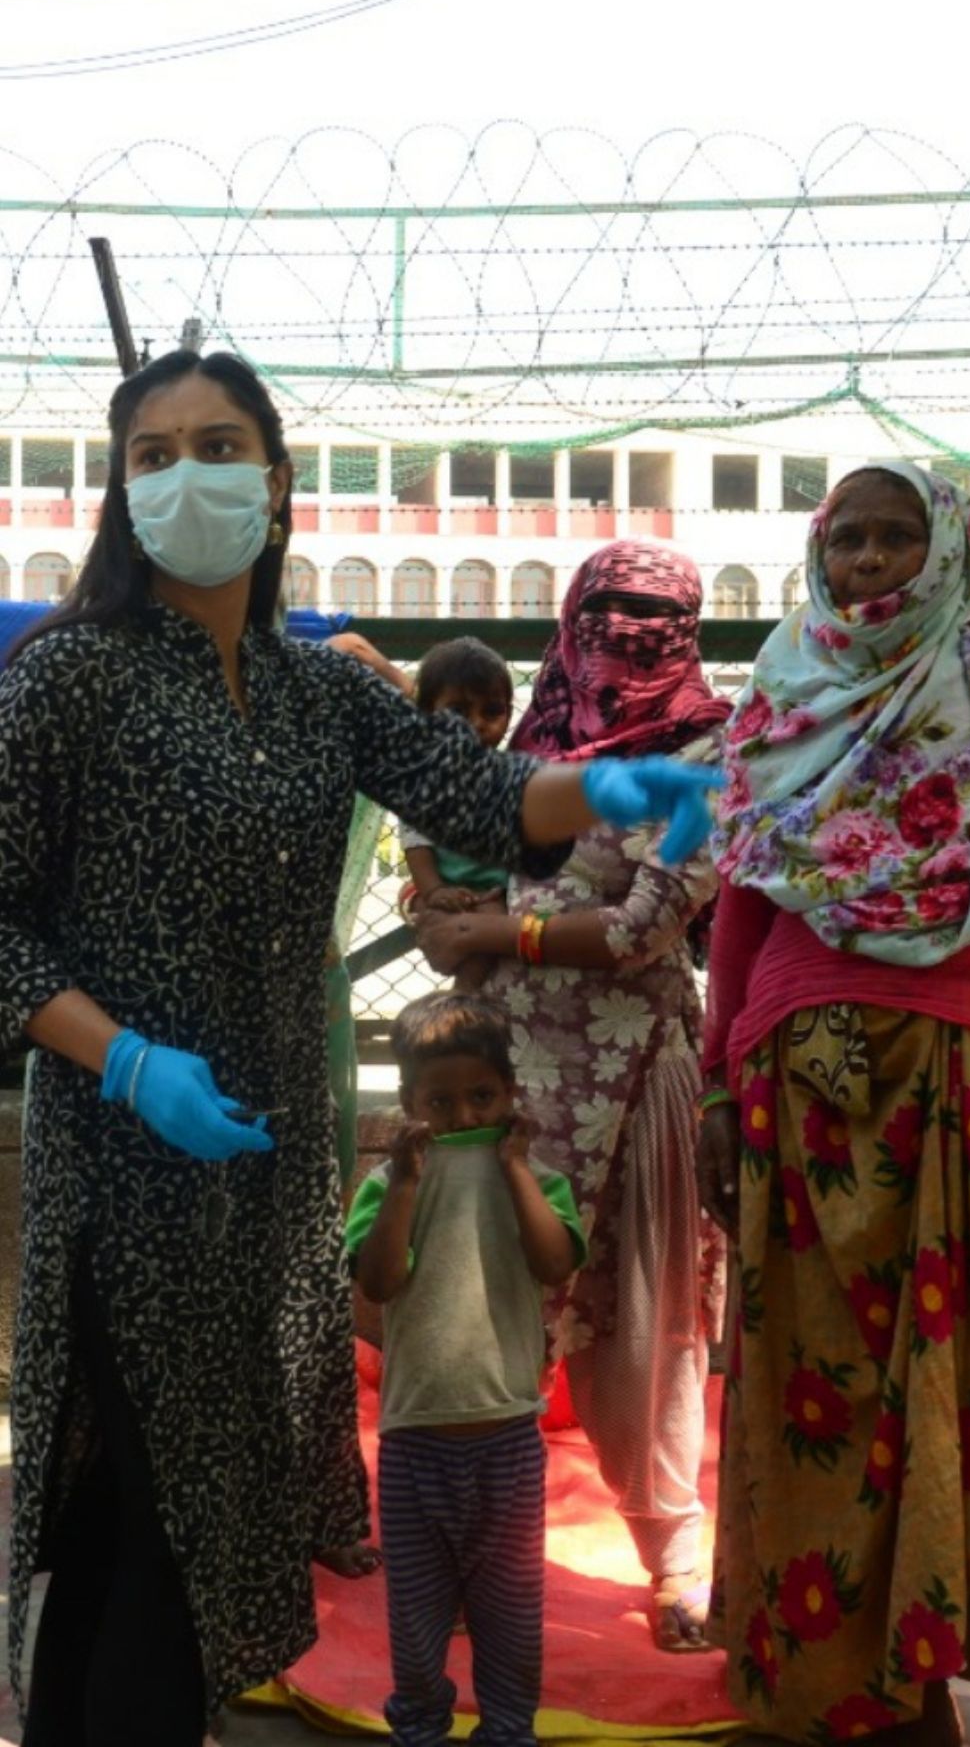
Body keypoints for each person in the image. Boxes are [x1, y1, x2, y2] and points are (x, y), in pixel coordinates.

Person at [0, 348, 721, 1747]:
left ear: (274, 488)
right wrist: (128, 1062)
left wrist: (614, 781)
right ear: (118, 492)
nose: (183, 475)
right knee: (140, 1519)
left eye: (216, 446)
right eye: (151, 455)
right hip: (125, 1178)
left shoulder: (316, 689)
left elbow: (484, 789)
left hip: (268, 1184)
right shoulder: (69, 680)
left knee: (202, 1528)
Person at [698, 462, 970, 1747]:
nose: (867, 561)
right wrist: (713, 1085)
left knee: (963, 1372)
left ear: (948, 547)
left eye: (895, 536)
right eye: (845, 538)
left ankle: (948, 1665)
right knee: (816, 1382)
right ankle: (826, 1678)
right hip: (796, 1086)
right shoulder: (785, 687)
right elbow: (744, 904)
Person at [417, 540, 730, 1652]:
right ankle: (466, 1555)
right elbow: (447, 885)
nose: (627, 633)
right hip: (509, 1080)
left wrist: (490, 930)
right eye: (606, 609)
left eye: (655, 612)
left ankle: (678, 1564)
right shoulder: (530, 746)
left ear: (687, 626)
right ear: (569, 619)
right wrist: (446, 915)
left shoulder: (708, 745)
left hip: (636, 1072)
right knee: (487, 1317)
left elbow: (651, 925)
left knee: (649, 1333)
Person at [347, 992, 585, 1747]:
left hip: (508, 1439)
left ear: (511, 1095)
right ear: (410, 1103)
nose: (460, 1115)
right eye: (438, 1101)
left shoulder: (537, 1180)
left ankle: (508, 1730)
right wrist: (407, 1183)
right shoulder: (389, 1188)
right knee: (416, 1621)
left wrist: (515, 1167)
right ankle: (420, 1727)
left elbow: (554, 1263)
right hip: (415, 1441)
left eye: (480, 1095)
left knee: (511, 1614)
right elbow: (378, 1282)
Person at [401, 637, 515, 991]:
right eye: (458, 712)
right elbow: (415, 843)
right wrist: (434, 890)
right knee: (444, 926)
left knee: (491, 928)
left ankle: (462, 998)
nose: (477, 724)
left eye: (492, 712)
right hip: (445, 887)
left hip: (496, 892)